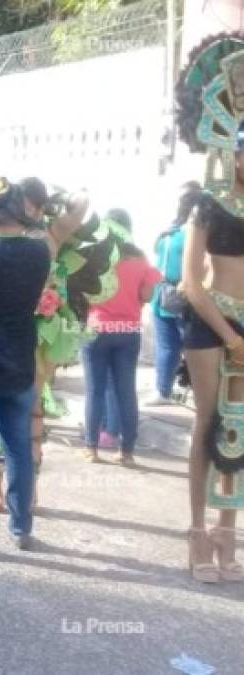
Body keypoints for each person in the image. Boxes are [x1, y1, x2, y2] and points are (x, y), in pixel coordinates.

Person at [0, 178, 87, 558]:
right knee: (19, 449)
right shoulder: (42, 249)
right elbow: (80, 203)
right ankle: (21, 528)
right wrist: (51, 204)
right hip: (22, 363)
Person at [174, 34, 244, 584]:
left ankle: (228, 533)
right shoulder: (205, 203)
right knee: (207, 423)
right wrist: (230, 334)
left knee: (239, 429)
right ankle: (196, 533)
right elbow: (189, 282)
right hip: (207, 322)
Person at [80, 209, 161, 465]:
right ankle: (126, 452)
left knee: (94, 389)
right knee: (126, 391)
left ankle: (91, 448)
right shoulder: (140, 258)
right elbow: (147, 296)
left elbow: (81, 294)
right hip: (128, 332)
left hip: (97, 329)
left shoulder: (94, 255)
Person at [147, 183, 200, 406]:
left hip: (184, 294)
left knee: (193, 347)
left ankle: (199, 393)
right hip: (161, 294)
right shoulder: (172, 228)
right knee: (166, 345)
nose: (181, 203)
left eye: (186, 198)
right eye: (179, 198)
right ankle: (162, 390)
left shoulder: (196, 229)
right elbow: (157, 253)